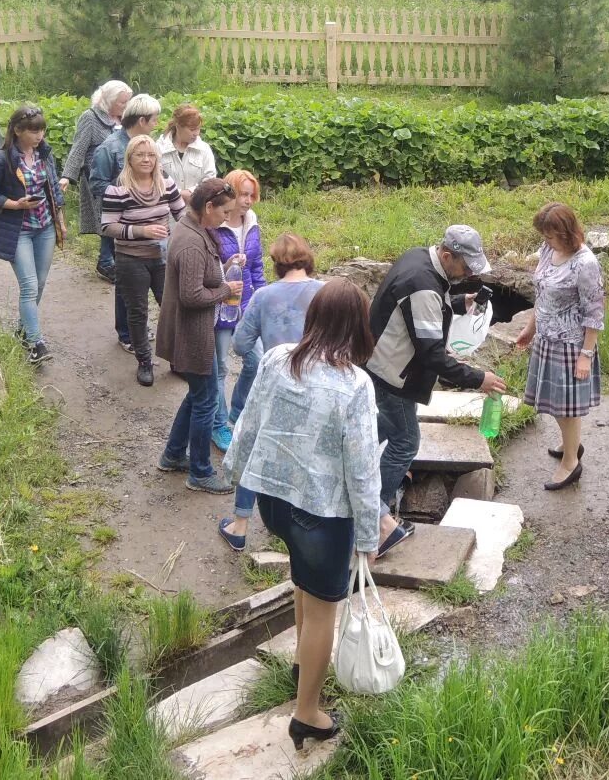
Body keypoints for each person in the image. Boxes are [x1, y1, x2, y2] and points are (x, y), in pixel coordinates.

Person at [223, 279, 380, 752]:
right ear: (358, 327)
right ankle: (307, 713)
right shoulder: (355, 384)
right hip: (322, 513)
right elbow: (362, 468)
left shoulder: (278, 359)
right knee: (323, 608)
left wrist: (235, 470)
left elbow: (249, 419)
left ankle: (300, 663)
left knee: (303, 582)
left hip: (273, 501)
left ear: (315, 317)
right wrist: (369, 535)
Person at [365, 225, 507, 557]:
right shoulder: (423, 285)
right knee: (404, 442)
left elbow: (420, 310)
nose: (470, 274)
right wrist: (478, 378)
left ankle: (357, 483)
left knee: (378, 432)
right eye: (466, 267)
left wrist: (458, 302)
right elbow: (432, 354)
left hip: (383, 363)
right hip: (392, 374)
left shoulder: (420, 259)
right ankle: (374, 518)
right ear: (447, 255)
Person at [217, 232, 324, 551]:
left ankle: (239, 526)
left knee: (254, 449)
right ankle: (304, 524)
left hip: (275, 388)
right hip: (316, 387)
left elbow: (240, 345)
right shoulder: (325, 293)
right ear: (307, 259)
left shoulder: (264, 297)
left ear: (276, 263)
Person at [155, 178, 242, 493]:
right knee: (206, 401)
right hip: (192, 335)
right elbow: (192, 296)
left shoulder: (192, 227)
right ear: (208, 207)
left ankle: (173, 455)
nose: (227, 218)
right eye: (224, 212)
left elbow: (200, 276)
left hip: (190, 332)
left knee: (198, 395)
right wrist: (225, 290)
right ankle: (200, 473)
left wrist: (225, 267)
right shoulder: (191, 242)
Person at [514, 202, 605, 491]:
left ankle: (570, 463)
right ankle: (571, 444)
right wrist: (530, 328)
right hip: (546, 339)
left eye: (550, 235)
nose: (546, 241)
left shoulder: (585, 263)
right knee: (555, 403)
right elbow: (542, 294)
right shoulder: (547, 250)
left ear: (567, 232)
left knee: (566, 408)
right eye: (544, 235)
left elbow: (594, 313)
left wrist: (586, 355)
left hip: (570, 345)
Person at [0, 104, 66, 366]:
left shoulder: (44, 154)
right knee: (29, 286)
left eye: (42, 130)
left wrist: (61, 222)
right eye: (33, 131)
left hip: (45, 227)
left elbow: (54, 189)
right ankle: (36, 343)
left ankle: (23, 329)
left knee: (39, 283)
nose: (39, 136)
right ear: (17, 131)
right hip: (18, 231)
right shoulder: (1, 159)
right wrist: (15, 205)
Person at [100, 135, 183, 387]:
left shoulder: (166, 183)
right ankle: (144, 361)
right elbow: (107, 227)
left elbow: (181, 213)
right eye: (140, 154)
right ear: (129, 158)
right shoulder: (117, 189)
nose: (146, 159)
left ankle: (176, 359)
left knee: (170, 308)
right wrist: (141, 231)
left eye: (151, 155)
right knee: (137, 312)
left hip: (163, 257)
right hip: (131, 259)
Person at [90, 94, 162, 351]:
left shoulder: (148, 146)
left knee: (147, 280)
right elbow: (96, 185)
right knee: (126, 280)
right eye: (154, 119)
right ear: (142, 120)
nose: (157, 124)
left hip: (150, 223)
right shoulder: (109, 148)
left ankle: (138, 327)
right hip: (121, 224)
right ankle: (127, 333)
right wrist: (127, 195)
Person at [209, 168, 264, 452]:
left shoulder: (252, 223)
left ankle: (238, 412)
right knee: (220, 368)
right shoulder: (214, 227)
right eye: (243, 194)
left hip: (247, 304)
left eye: (252, 195)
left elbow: (257, 267)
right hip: (221, 306)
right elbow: (207, 271)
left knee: (257, 361)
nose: (248, 201)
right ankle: (218, 425)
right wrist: (227, 265)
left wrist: (263, 299)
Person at [61, 80, 133, 284]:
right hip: (98, 180)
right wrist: (67, 176)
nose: (125, 106)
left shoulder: (124, 119)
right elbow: (78, 148)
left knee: (119, 219)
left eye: (127, 102)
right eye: (122, 102)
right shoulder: (90, 117)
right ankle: (106, 262)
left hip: (122, 179)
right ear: (108, 100)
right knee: (107, 219)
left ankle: (113, 260)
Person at [156, 104, 216, 204]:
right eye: (192, 129)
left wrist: (191, 192)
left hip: (196, 206)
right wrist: (179, 193)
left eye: (198, 128)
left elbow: (210, 179)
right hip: (167, 207)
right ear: (178, 126)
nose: (196, 133)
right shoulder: (159, 148)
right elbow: (154, 179)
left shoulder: (204, 149)